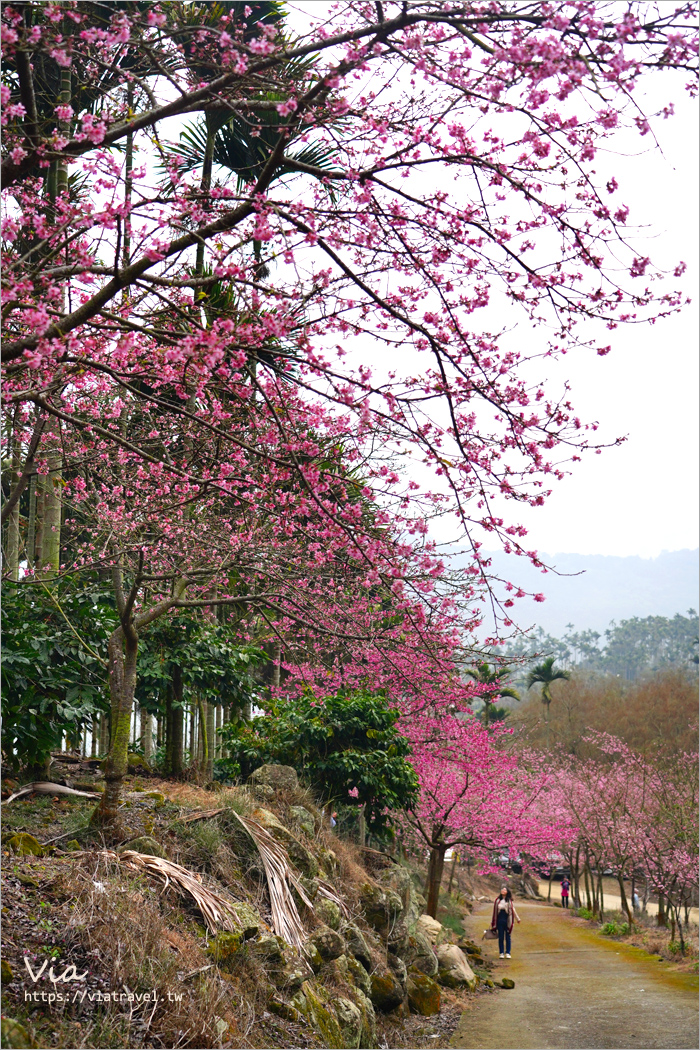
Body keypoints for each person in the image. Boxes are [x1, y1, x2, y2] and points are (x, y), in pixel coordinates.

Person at [491, 885, 521, 959]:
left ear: (507, 892)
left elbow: (513, 910)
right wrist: (494, 922)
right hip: (500, 919)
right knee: (501, 937)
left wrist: (518, 918)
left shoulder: (509, 901)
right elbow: (494, 912)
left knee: (508, 936)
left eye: (504, 890)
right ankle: (501, 952)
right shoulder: (497, 900)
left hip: (507, 919)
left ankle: (508, 952)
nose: (503, 891)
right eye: (502, 890)